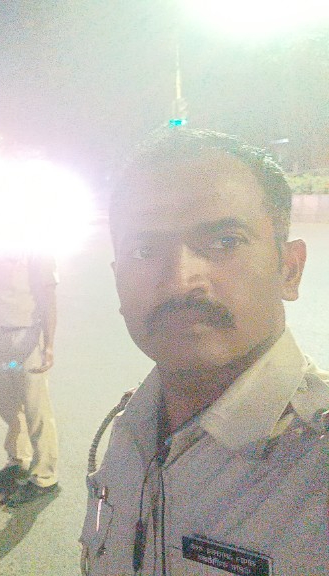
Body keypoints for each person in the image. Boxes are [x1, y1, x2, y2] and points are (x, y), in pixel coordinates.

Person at [79, 128, 329, 575]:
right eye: (145, 250)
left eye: (225, 241)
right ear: (117, 280)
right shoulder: (131, 430)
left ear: (289, 269)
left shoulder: (315, 467)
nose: (180, 280)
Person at [0, 251, 60, 507]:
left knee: (36, 408)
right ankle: (18, 461)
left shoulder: (37, 251)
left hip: (25, 339)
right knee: (7, 405)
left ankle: (45, 476)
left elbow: (48, 299)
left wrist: (49, 345)